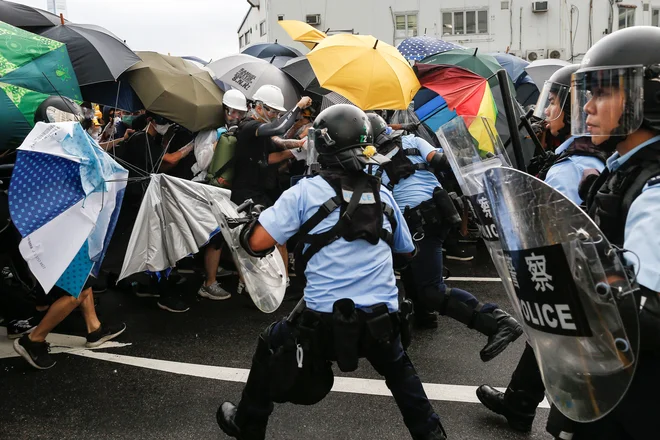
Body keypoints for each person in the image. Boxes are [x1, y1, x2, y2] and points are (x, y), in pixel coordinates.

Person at [217, 104, 447, 440]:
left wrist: (253, 219)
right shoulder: (382, 193)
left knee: (271, 342)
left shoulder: (304, 192)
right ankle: (433, 435)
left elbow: (255, 243)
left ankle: (248, 424)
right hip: (382, 317)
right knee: (399, 371)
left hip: (323, 320)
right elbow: (407, 252)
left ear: (323, 145)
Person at [475, 65, 612, 433]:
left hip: (563, 270)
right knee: (544, 336)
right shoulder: (587, 156)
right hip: (582, 276)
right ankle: (519, 402)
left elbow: (553, 230)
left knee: (554, 339)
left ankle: (530, 407)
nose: (546, 111)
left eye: (552, 103)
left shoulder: (567, 167)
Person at [543, 26, 660, 440]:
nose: (587, 107)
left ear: (649, 99)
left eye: (603, 93)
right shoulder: (621, 171)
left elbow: (647, 316)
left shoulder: (653, 190)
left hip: (634, 396)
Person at [367, 113, 523, 360]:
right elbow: (440, 159)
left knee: (430, 288)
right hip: (440, 213)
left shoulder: (372, 163)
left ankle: (496, 322)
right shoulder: (412, 141)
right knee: (410, 263)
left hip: (419, 224)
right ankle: (424, 316)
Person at [232, 85, 311, 274]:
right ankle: (275, 281)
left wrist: (300, 145)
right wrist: (298, 106)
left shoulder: (261, 130)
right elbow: (279, 128)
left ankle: (276, 280)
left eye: (277, 112)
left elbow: (278, 143)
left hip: (259, 190)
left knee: (272, 237)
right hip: (247, 192)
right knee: (266, 238)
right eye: (273, 111)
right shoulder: (249, 126)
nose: (275, 115)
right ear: (258, 107)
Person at [199, 89, 249, 301]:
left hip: (227, 190)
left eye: (239, 113)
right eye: (232, 112)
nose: (235, 117)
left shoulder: (238, 132)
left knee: (223, 233)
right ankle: (208, 283)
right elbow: (202, 162)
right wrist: (219, 142)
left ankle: (214, 269)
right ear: (224, 110)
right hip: (208, 187)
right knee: (215, 236)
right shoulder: (210, 131)